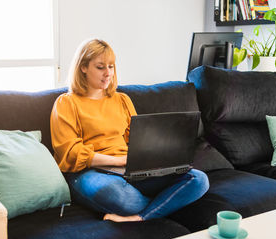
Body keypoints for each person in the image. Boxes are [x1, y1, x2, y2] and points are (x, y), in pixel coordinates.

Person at [50, 39, 209, 222]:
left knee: (198, 179)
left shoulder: (122, 100)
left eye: (111, 66)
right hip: (89, 172)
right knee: (125, 199)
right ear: (83, 67)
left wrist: (156, 156)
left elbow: (136, 139)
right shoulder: (66, 103)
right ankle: (163, 204)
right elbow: (70, 153)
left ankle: (140, 217)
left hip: (128, 167)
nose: (108, 73)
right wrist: (117, 161)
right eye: (100, 67)